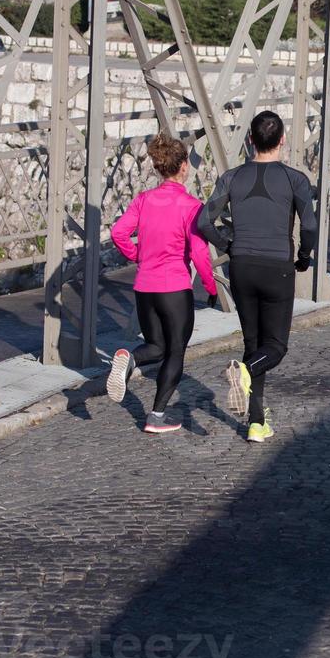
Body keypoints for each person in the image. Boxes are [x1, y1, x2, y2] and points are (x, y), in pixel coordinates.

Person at [195, 111, 317, 444]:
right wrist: (304, 258)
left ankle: (256, 423)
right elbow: (309, 226)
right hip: (277, 266)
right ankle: (245, 372)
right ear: (282, 141)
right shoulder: (296, 180)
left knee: (253, 344)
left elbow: (204, 221)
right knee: (275, 346)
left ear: (250, 139)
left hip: (242, 267)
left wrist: (228, 246)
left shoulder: (231, 177)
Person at [107, 132, 216, 434]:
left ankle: (129, 358)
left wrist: (138, 254)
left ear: (158, 168)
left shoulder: (144, 200)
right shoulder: (190, 205)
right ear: (183, 167)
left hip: (145, 288)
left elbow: (118, 233)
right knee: (175, 351)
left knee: (155, 345)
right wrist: (210, 286)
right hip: (174, 288)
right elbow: (198, 252)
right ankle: (155, 416)